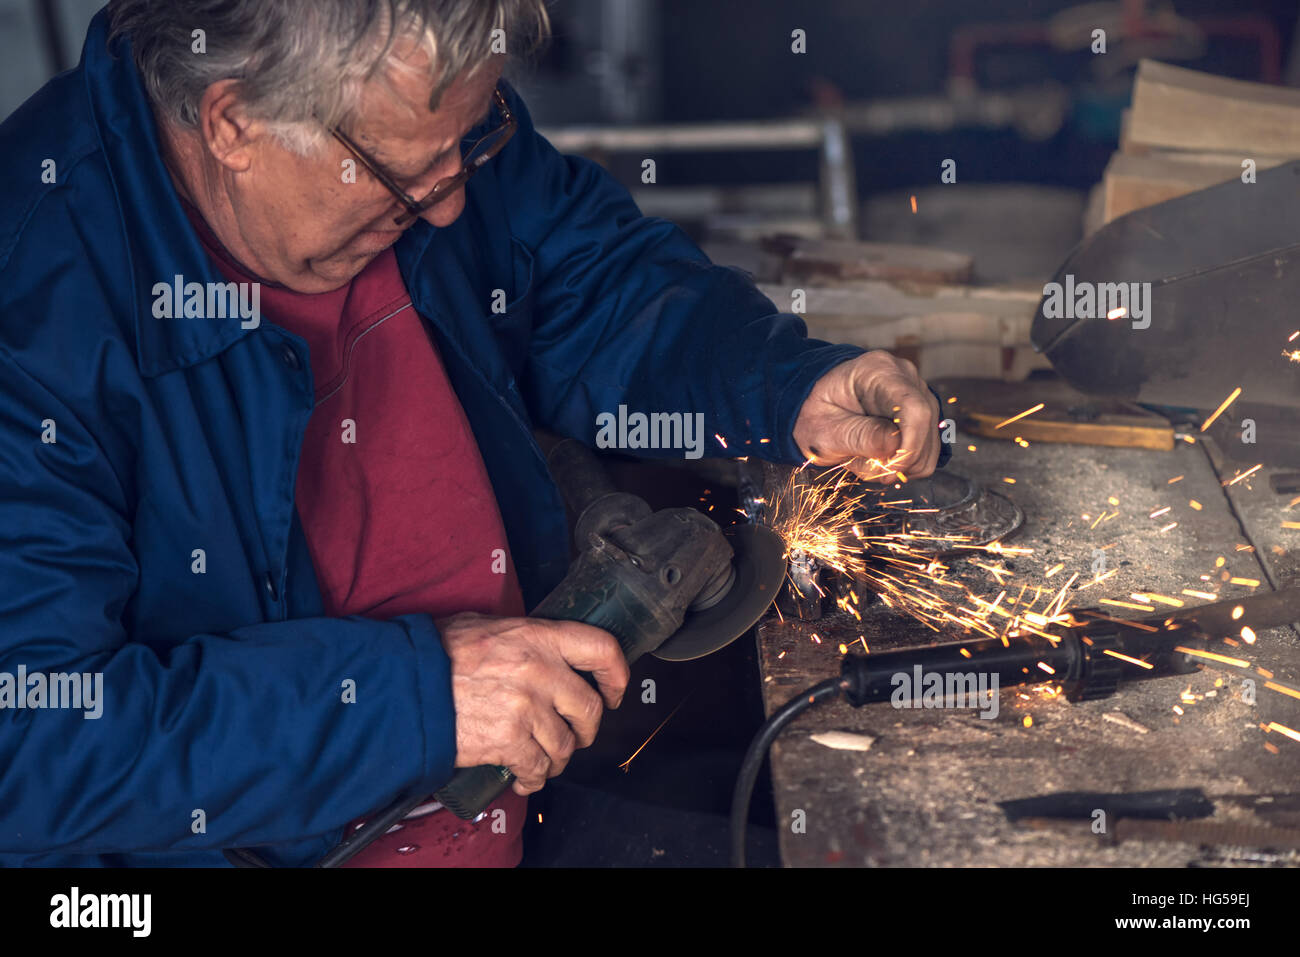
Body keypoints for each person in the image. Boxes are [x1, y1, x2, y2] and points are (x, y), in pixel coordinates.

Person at [0, 0, 942, 867]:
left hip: (515, 817)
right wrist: (413, 702)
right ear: (232, 121)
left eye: (472, 143)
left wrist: (787, 383)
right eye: (403, 176)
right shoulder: (35, 302)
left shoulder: (426, 128)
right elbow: (34, 744)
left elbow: (591, 280)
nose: (448, 204)